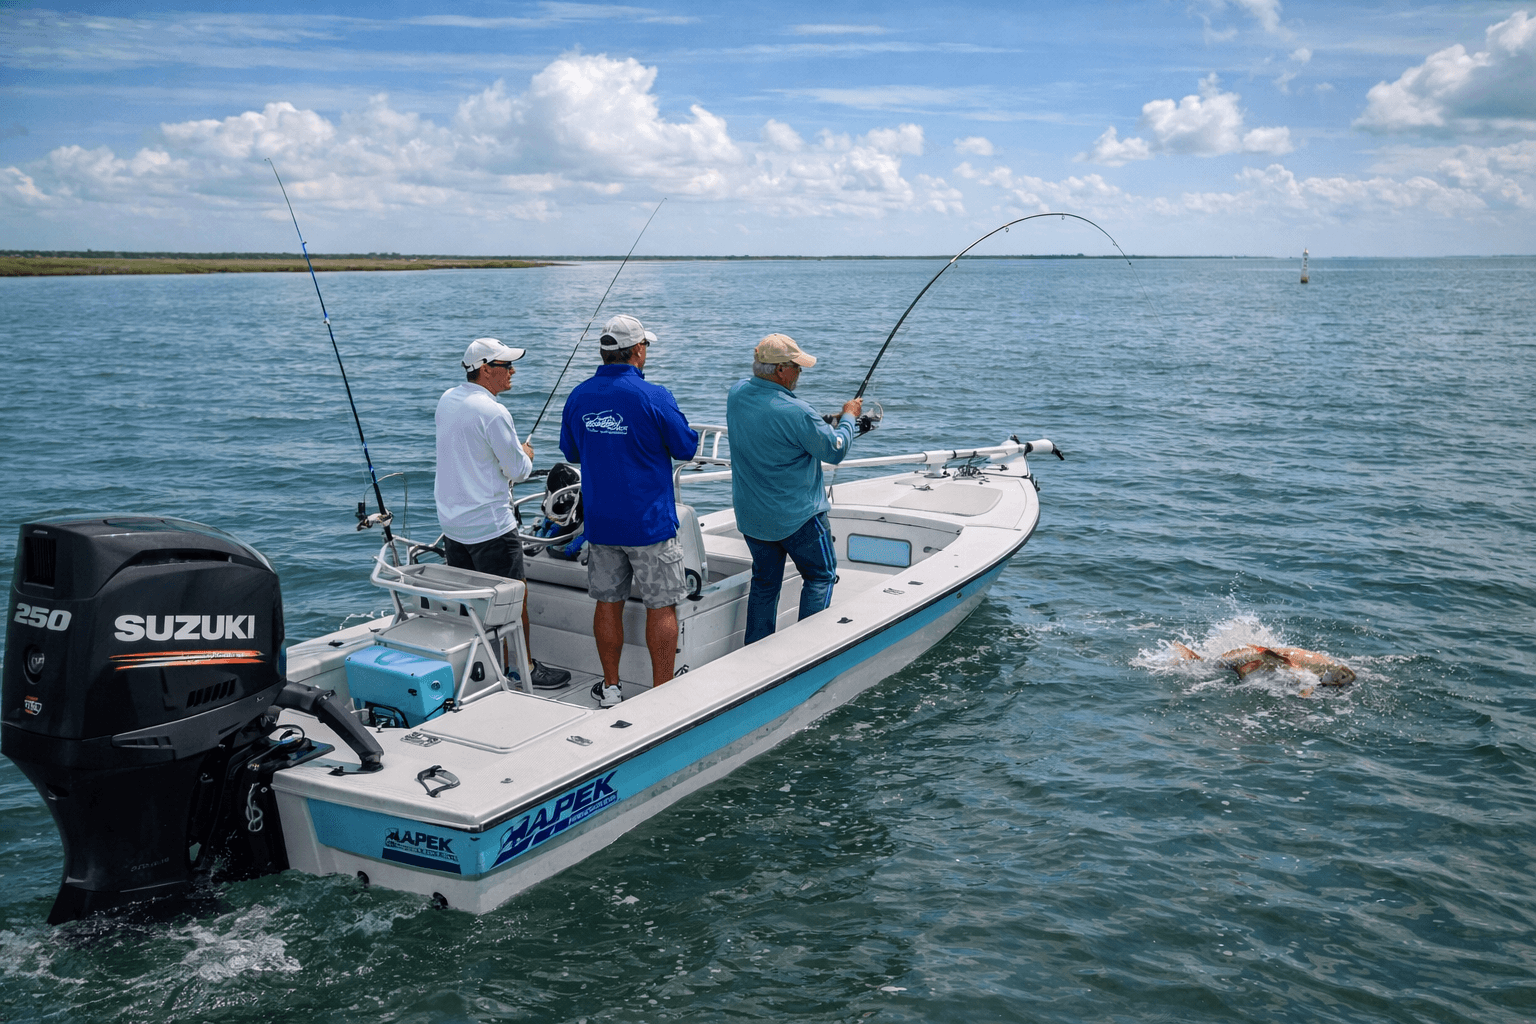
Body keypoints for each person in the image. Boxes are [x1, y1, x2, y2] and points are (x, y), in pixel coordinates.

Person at [560, 314, 699, 708]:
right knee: (662, 604)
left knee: (608, 603)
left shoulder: (579, 395)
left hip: (601, 523)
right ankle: (661, 691)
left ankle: (611, 688)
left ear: (604, 352)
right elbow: (686, 447)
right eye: (646, 347)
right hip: (649, 524)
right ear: (638, 350)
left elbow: (571, 451)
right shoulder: (654, 395)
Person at [435, 337, 570, 690]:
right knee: (514, 599)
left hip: (454, 525)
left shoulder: (448, 400)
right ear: (484, 370)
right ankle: (520, 667)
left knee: (473, 604)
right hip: (491, 528)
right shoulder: (494, 412)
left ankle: (481, 666)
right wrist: (526, 453)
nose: (512, 371)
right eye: (505, 365)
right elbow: (519, 470)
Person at [725, 334, 862, 646]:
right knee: (820, 576)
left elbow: (777, 427)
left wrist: (824, 422)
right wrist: (849, 418)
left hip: (753, 517)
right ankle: (807, 652)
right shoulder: (797, 411)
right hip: (798, 518)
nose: (801, 373)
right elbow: (835, 449)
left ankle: (755, 650)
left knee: (764, 582)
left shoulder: (737, 395)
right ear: (781, 371)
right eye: (797, 367)